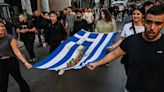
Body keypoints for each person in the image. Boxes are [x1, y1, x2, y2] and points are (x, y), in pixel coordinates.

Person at [88, 5, 164, 92]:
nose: (152, 28)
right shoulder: (131, 40)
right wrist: (96, 63)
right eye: (149, 22)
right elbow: (114, 54)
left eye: (158, 23)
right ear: (144, 21)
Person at [108, 7, 145, 74]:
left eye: (138, 14)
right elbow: (123, 39)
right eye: (133, 14)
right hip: (128, 56)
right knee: (129, 74)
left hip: (142, 56)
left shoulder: (146, 27)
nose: (135, 16)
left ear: (143, 15)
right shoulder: (127, 26)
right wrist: (113, 46)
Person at [0, 20, 32, 92]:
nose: (2, 28)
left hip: (10, 61)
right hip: (0, 63)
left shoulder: (10, 38)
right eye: (0, 27)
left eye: (2, 26)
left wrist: (25, 62)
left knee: (19, 79)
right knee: (2, 83)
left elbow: (17, 52)